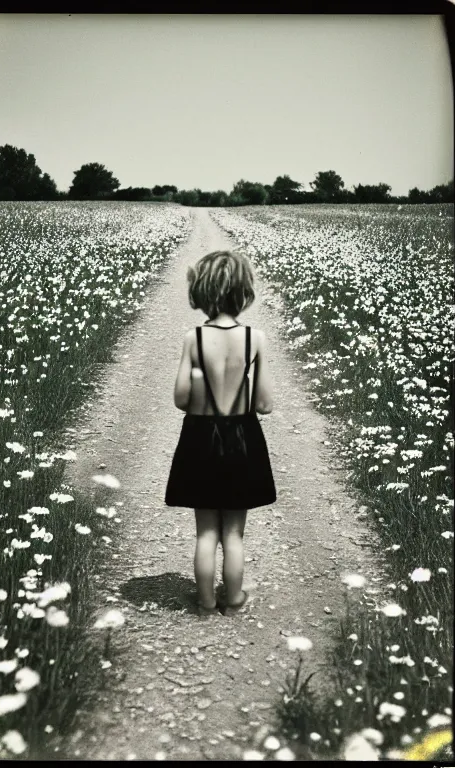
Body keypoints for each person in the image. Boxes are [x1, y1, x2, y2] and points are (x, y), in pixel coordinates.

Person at [165, 250, 276, 617]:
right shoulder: (254, 338)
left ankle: (205, 602)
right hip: (242, 438)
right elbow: (264, 405)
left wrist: (200, 382)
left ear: (201, 291)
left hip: (200, 439)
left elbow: (181, 399)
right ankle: (234, 599)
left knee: (205, 532)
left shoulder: (193, 338)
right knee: (233, 533)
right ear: (243, 292)